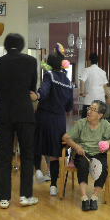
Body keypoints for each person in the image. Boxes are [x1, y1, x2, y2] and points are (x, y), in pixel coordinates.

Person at [0, 33, 38, 209]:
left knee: (4, 156)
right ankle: (25, 195)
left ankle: (4, 198)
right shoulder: (30, 61)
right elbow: (32, 88)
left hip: (4, 114)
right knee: (27, 155)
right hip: (25, 113)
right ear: (22, 45)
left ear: (6, 45)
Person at [63, 100, 110, 211]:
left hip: (99, 153)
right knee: (83, 166)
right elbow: (66, 137)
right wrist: (76, 147)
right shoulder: (81, 123)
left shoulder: (105, 125)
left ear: (100, 115)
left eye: (93, 110)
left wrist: (106, 143)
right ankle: (84, 197)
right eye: (89, 108)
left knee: (103, 168)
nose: (89, 111)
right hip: (83, 153)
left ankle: (94, 197)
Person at [31, 48, 74, 196]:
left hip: (44, 116)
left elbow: (44, 91)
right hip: (59, 120)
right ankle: (54, 186)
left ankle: (38, 170)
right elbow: (69, 107)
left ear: (49, 65)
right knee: (55, 153)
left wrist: (37, 96)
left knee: (37, 144)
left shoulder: (49, 75)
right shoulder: (68, 82)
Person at [79, 52, 110, 119]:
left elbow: (82, 81)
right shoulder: (102, 72)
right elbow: (105, 86)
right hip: (101, 102)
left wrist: (82, 92)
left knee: (86, 121)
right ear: (97, 61)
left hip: (89, 101)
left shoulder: (87, 70)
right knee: (99, 122)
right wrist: (109, 97)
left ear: (89, 61)